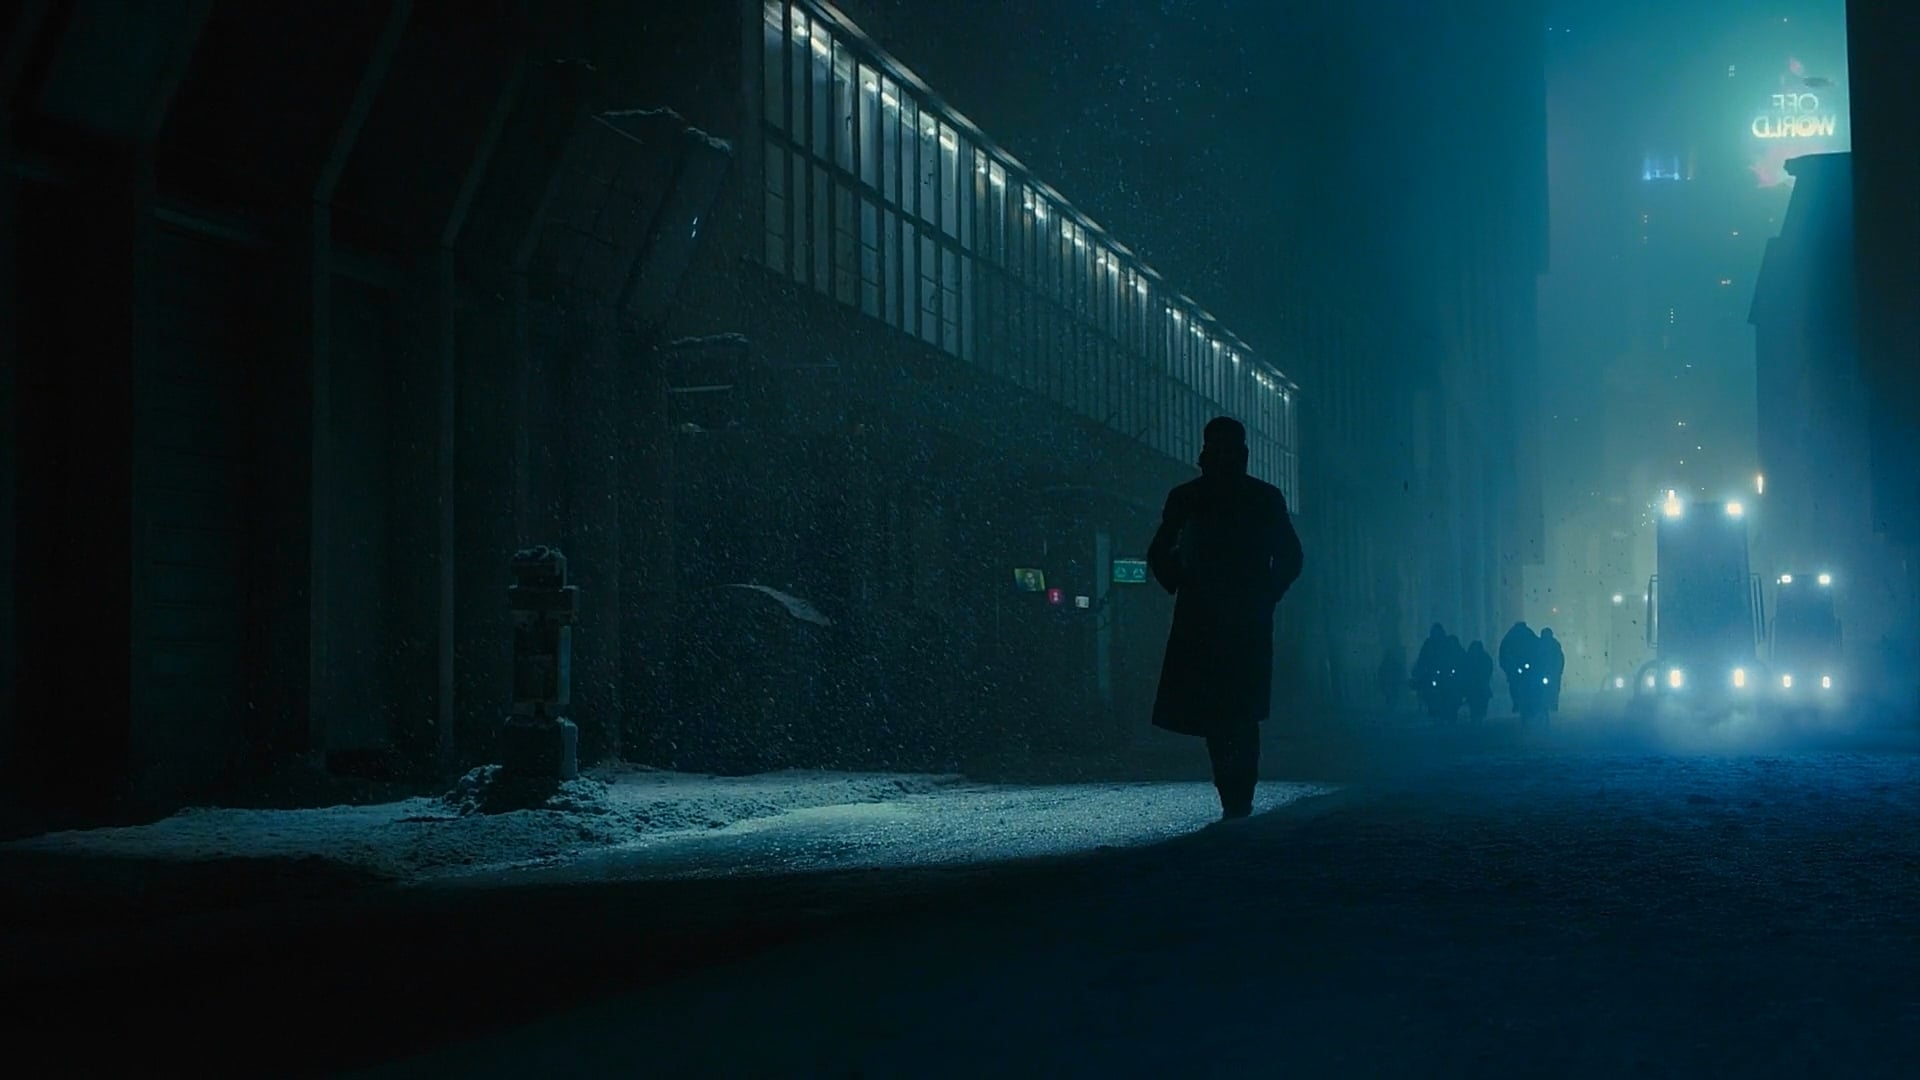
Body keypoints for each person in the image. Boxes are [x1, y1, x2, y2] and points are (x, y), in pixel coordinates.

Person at [1148, 416, 1304, 820]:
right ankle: (1239, 797)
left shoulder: (1188, 497)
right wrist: (1266, 595)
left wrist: (1182, 581)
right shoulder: (1263, 498)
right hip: (1246, 620)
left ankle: (1232, 795)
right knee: (1241, 712)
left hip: (1202, 619)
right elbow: (1291, 557)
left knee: (1218, 714)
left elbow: (1160, 552)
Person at [1499, 620, 1541, 721]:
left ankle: (1520, 702)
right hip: (1516, 665)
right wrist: (1509, 666)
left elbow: (1537, 649)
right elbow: (1504, 652)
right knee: (1514, 683)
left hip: (1526, 665)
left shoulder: (1512, 634)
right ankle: (1517, 702)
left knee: (1529, 683)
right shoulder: (1527, 633)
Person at [1462, 640, 1494, 721]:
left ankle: (1480, 716)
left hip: (1481, 682)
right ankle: (1475, 716)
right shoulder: (1468, 658)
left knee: (1482, 698)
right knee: (1473, 699)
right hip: (1472, 684)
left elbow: (1489, 669)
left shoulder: (1484, 658)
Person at [1538, 627, 1566, 715]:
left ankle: (1553, 704)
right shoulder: (1539, 645)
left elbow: (1559, 659)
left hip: (1553, 672)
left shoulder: (1555, 646)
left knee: (1554, 688)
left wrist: (1558, 670)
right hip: (1543, 671)